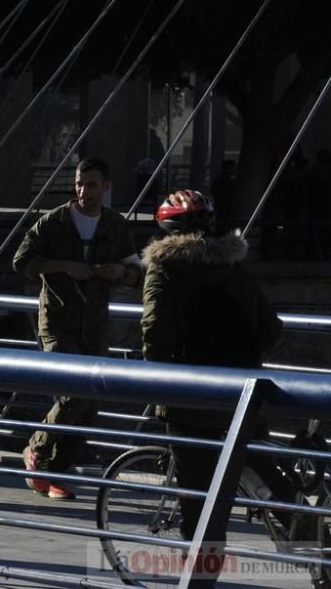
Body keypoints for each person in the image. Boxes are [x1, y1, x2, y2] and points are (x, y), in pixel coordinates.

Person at [141, 189, 299, 579]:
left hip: (190, 403)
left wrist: (156, 379)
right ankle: (317, 547)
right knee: (271, 482)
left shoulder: (163, 270)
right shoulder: (234, 267)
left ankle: (200, 581)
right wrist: (238, 360)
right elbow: (271, 328)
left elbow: (156, 336)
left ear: (163, 229)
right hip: (244, 397)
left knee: (200, 508)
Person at [14, 157, 142, 500]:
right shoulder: (53, 222)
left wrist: (119, 272)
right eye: (79, 184)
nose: (84, 191)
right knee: (74, 392)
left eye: (92, 184)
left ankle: (56, 472)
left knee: (90, 403)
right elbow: (22, 261)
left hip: (95, 325)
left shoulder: (115, 226)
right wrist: (63, 267)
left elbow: (137, 274)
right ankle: (37, 449)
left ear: (106, 187)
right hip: (57, 321)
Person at [210, 159, 237, 226]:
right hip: (225, 208)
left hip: (221, 208)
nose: (235, 169)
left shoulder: (218, 180)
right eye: (233, 167)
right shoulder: (228, 181)